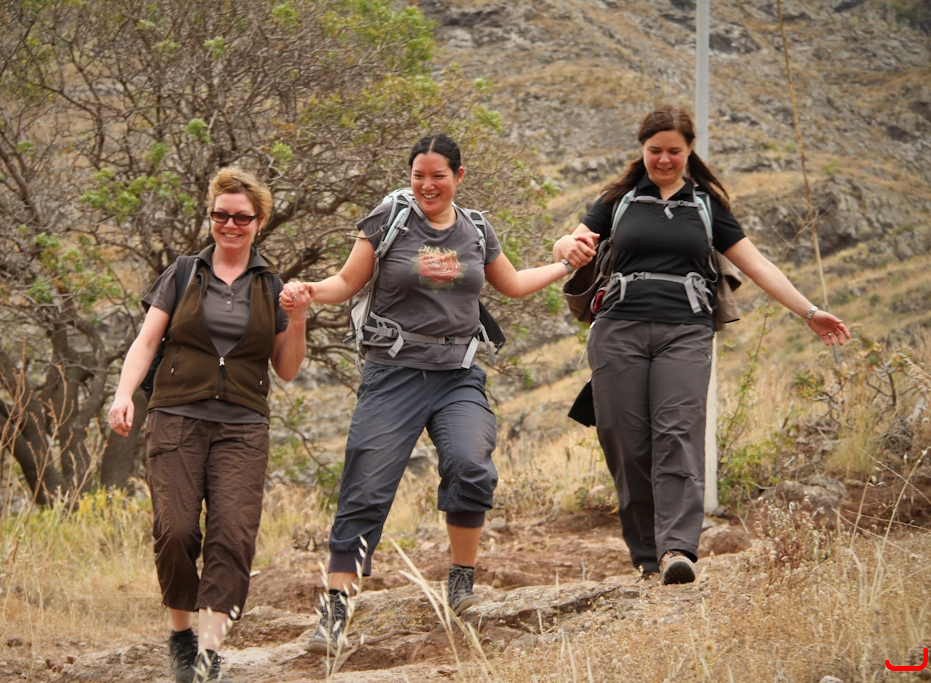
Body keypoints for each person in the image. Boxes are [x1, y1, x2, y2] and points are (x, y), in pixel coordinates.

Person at [283, 133, 590, 655]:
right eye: (418, 176)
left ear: (458, 177)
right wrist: (310, 293)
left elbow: (513, 284)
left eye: (438, 176)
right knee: (366, 486)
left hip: (457, 374)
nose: (427, 185)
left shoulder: (477, 229)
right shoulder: (389, 219)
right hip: (393, 374)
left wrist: (568, 266)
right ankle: (335, 612)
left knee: (471, 465)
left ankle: (461, 584)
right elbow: (347, 282)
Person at [553, 105, 850, 586]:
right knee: (625, 441)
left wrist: (809, 311)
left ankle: (677, 549)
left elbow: (759, 266)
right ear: (642, 149)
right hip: (618, 330)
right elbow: (572, 244)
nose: (664, 159)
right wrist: (565, 246)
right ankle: (647, 558)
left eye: (674, 151)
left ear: (689, 150)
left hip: (685, 332)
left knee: (677, 432)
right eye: (655, 150)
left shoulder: (707, 206)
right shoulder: (618, 200)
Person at [107, 167, 309, 683]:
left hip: (243, 426)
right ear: (211, 217)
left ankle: (208, 653)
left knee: (232, 535)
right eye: (221, 215)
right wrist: (124, 394)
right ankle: (181, 635)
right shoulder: (182, 273)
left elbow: (286, 369)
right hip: (176, 418)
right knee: (175, 530)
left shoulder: (271, 286)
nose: (230, 225)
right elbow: (146, 341)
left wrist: (298, 318)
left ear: (259, 222)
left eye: (241, 217)